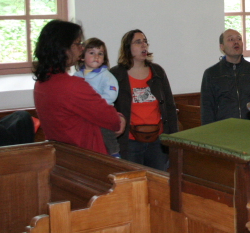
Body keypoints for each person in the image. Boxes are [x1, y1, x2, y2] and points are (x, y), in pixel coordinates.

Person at [33, 20, 125, 155]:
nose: (82, 48)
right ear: (64, 48)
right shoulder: (72, 86)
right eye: (78, 43)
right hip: (87, 156)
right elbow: (112, 120)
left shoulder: (42, 82)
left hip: (62, 155)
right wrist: (120, 117)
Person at [110, 29, 178, 171]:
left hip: (157, 140)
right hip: (130, 141)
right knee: (134, 180)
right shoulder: (116, 74)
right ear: (127, 47)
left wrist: (173, 138)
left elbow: (169, 106)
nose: (144, 45)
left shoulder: (157, 71)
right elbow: (110, 107)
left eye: (145, 41)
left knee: (158, 180)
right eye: (138, 42)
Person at [200, 29, 250, 124]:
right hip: (223, 128)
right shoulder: (211, 74)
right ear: (222, 47)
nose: (236, 42)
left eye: (239, 39)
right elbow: (207, 109)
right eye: (231, 39)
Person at [74, 37, 121, 157]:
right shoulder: (76, 76)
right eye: (92, 53)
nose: (96, 57)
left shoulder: (107, 76)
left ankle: (114, 153)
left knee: (106, 132)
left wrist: (93, 104)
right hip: (83, 115)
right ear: (82, 57)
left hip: (102, 112)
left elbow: (111, 96)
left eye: (100, 54)